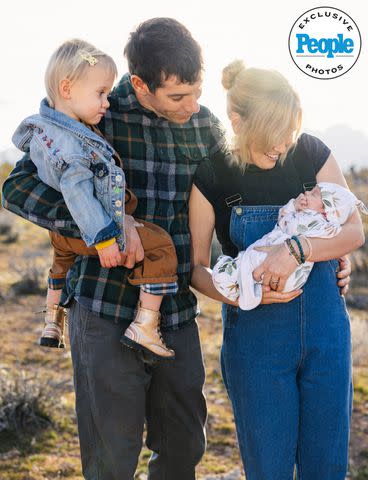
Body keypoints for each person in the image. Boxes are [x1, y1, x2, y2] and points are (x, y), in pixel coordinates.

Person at [1, 23, 351, 479]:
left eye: (196, 93)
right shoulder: (94, 114)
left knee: (185, 444)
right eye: (177, 97)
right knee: (113, 454)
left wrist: (320, 247)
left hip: (176, 312)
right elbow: (18, 187)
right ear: (142, 85)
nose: (193, 107)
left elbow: (240, 201)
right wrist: (102, 228)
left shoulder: (205, 127)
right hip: (106, 307)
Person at [190, 60, 363, 479]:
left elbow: (353, 229)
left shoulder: (311, 152)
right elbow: (195, 269)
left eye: (290, 129)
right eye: (274, 133)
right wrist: (240, 292)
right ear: (237, 121)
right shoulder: (212, 174)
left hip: (326, 338)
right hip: (256, 342)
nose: (283, 145)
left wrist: (298, 248)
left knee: (327, 469)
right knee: (269, 469)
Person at [12, 38, 178, 359]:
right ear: (67, 89)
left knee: (60, 264)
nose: (107, 102)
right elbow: (77, 191)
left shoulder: (51, 128)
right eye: (100, 93)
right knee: (160, 246)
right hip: (93, 229)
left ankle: (51, 322)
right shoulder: (71, 148)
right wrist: (104, 237)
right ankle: (146, 323)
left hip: (62, 235)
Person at [212, 182, 367, 310]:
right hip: (285, 279)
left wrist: (338, 251)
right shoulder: (312, 217)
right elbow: (284, 219)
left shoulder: (318, 221)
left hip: (290, 274)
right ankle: (247, 288)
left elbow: (287, 223)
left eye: (313, 194)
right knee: (245, 264)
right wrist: (294, 206)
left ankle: (247, 296)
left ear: (327, 211)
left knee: (250, 259)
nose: (306, 193)